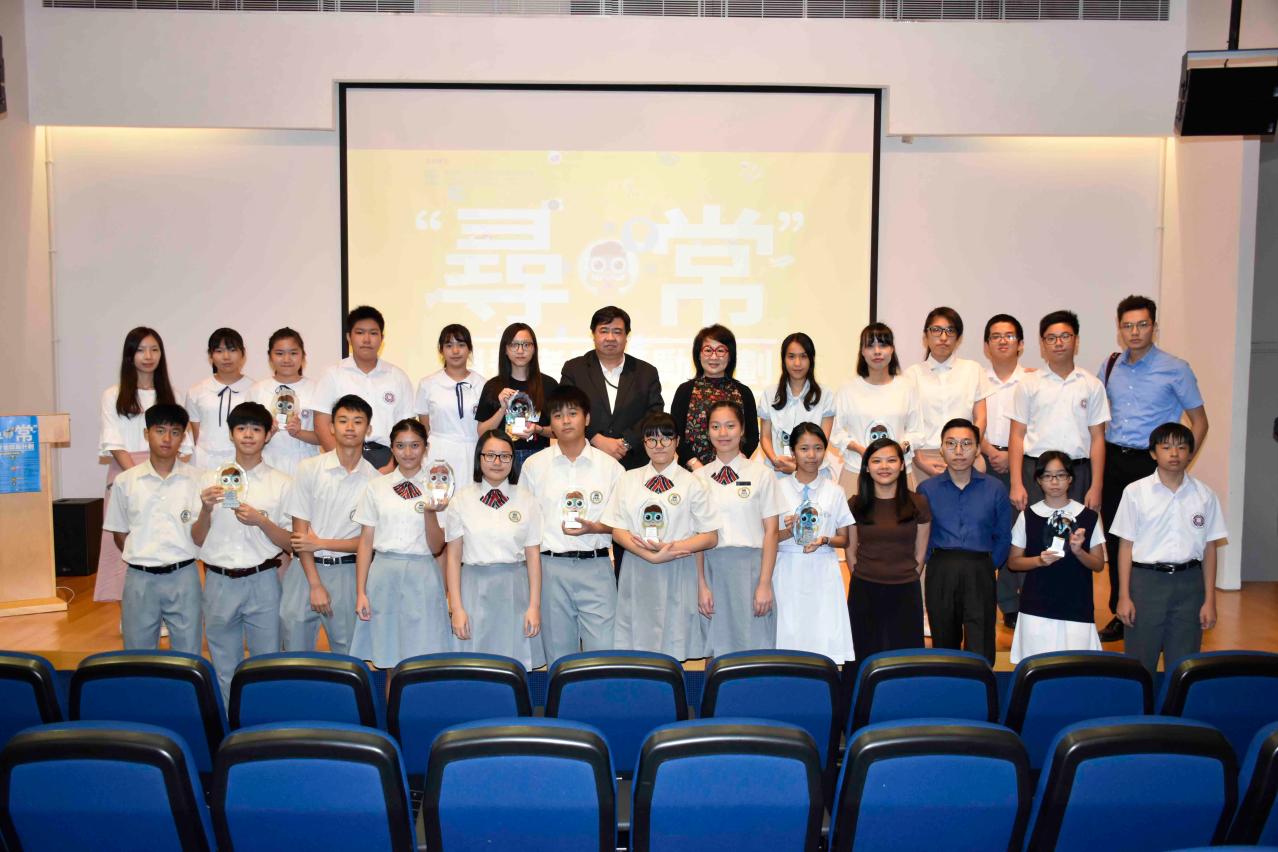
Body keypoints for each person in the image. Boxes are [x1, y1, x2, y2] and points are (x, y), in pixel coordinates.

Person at [1098, 295, 1208, 643]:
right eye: (1128, 326)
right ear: (1119, 329)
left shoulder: (1176, 368)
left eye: (1142, 325)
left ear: (1154, 327)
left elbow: (1200, 422)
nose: (1135, 332)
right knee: (1118, 538)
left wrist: (1179, 461)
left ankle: (1157, 610)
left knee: (1153, 538)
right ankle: (1120, 610)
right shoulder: (1111, 366)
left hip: (1153, 463)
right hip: (1115, 460)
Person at [191, 401, 292, 699]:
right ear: (231, 434)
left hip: (264, 580)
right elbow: (197, 538)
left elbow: (290, 543)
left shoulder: (282, 483)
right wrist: (205, 509)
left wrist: (262, 521)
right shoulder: (208, 481)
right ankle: (229, 724)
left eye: (256, 429)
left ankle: (266, 723)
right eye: (241, 428)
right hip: (218, 580)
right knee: (224, 667)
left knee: (267, 665)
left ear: (268, 435)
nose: (248, 435)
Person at [602, 412, 720, 660]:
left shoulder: (693, 483)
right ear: (643, 443)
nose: (659, 445)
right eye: (652, 439)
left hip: (678, 568)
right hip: (637, 568)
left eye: (666, 438)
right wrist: (649, 555)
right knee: (638, 647)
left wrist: (671, 548)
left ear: (677, 441)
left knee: (674, 646)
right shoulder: (628, 479)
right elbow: (617, 529)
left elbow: (710, 536)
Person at [1112, 423, 1226, 676]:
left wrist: (1210, 600)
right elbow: (1125, 546)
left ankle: (1176, 703)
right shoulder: (1135, 492)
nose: (1174, 454)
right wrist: (1123, 595)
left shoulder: (1205, 496)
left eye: (1181, 447)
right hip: (1146, 583)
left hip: (1190, 584)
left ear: (1191, 453)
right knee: (1140, 660)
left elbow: (1210, 549)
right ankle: (1142, 702)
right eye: (1166, 447)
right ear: (1153, 453)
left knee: (1184, 663)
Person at [520, 386, 623, 664]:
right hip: (550, 568)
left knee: (604, 656)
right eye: (557, 415)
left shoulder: (611, 468)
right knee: (559, 659)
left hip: (597, 566)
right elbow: (525, 524)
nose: (566, 421)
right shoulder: (534, 466)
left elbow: (623, 523)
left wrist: (596, 528)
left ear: (587, 418)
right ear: (550, 424)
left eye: (573, 413)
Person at [95, 326, 190, 606]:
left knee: (166, 538)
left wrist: (161, 474)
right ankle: (131, 612)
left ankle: (167, 610)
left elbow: (182, 444)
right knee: (126, 542)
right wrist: (138, 476)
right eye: (140, 350)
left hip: (166, 474)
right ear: (130, 355)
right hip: (126, 472)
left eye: (154, 349)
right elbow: (114, 441)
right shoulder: (113, 394)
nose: (148, 356)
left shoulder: (173, 394)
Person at [100, 403, 203, 654]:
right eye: (160, 431)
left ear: (183, 437)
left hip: (184, 575)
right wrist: (144, 558)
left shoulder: (199, 479)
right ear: (147, 434)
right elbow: (119, 534)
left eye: (175, 432)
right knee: (138, 656)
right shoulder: (126, 481)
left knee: (188, 655)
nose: (167, 439)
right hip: (140, 578)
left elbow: (203, 531)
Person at [282, 394, 380, 655]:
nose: (350, 427)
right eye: (343, 420)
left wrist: (321, 543)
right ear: (331, 427)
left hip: (348, 573)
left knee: (347, 654)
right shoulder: (308, 468)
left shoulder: (375, 481)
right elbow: (300, 536)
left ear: (368, 428)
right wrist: (315, 585)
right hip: (304, 571)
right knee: (294, 654)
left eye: (358, 421)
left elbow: (367, 543)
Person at [349, 419, 451, 669]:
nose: (408, 453)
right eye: (401, 446)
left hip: (423, 574)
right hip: (384, 576)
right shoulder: (376, 487)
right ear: (392, 448)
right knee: (389, 662)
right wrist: (361, 592)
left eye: (415, 445)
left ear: (426, 447)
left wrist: (430, 512)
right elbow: (365, 542)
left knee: (425, 661)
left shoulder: (439, 487)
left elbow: (438, 546)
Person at [443, 431, 544, 669]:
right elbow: (453, 558)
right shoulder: (461, 500)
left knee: (514, 664)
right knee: (475, 664)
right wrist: (456, 608)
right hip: (473, 588)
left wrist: (534, 606)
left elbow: (533, 556)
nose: (497, 462)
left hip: (515, 589)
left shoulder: (527, 500)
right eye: (490, 455)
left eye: (504, 456)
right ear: (479, 458)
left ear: (513, 460)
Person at [917, 418, 1011, 665]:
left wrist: (989, 566)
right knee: (943, 639)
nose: (959, 451)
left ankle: (981, 686)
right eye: (951, 444)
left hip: (980, 568)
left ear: (978, 449)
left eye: (966, 444)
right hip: (941, 568)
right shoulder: (926, 489)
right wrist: (933, 562)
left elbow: (1003, 536)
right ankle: (948, 686)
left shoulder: (995, 488)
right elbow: (922, 536)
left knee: (980, 640)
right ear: (941, 449)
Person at [694, 400, 780, 656]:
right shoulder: (698, 478)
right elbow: (697, 535)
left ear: (742, 429)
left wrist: (764, 583)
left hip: (751, 570)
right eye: (716, 426)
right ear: (707, 431)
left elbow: (772, 533)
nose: (723, 433)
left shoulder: (762, 474)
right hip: (712, 569)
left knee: (754, 648)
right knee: (716, 650)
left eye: (730, 425)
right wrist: (701, 584)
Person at [1006, 451, 1107, 664]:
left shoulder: (1088, 516)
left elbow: (1098, 564)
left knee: (1075, 670)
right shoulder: (1028, 516)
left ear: (1070, 478)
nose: (1054, 482)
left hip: (1076, 605)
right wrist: (1038, 561)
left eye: (1060, 475)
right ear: (1038, 480)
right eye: (1047, 476)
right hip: (1036, 607)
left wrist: (1079, 551)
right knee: (1036, 669)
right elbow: (1013, 562)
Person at [1008, 310, 1109, 513]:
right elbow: (1017, 435)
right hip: (1036, 473)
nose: (1058, 343)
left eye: (1065, 336)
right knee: (1034, 531)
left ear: (1076, 340)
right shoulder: (1028, 384)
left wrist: (1096, 487)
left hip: (1078, 473)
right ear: (1042, 344)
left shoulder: (1092, 385)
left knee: (1077, 532)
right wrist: (1016, 483)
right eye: (1051, 338)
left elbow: (1098, 438)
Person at [773, 422, 856, 665]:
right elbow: (767, 538)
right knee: (788, 639)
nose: (812, 455)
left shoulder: (835, 491)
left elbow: (844, 538)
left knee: (823, 639)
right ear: (792, 452)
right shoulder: (777, 489)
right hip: (787, 569)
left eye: (818, 448)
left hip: (823, 570)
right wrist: (789, 531)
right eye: (804, 448)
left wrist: (824, 540)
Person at [847, 438, 930, 659]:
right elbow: (850, 550)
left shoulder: (918, 503)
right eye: (876, 461)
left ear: (902, 465)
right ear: (867, 467)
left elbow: (921, 551)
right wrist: (862, 574)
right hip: (864, 589)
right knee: (863, 652)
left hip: (905, 589)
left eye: (891, 460)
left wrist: (909, 575)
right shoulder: (856, 504)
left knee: (905, 656)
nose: (884, 466)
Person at [559, 306, 664, 472]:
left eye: (617, 332)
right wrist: (596, 438)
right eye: (604, 331)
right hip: (584, 460)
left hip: (634, 464)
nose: (610, 338)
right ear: (593, 334)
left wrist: (626, 443)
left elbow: (654, 414)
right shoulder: (574, 369)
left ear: (626, 336)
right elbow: (565, 410)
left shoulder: (646, 372)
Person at [311, 306, 415, 472]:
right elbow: (321, 424)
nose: (366, 339)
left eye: (373, 333)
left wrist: (392, 466)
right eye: (360, 332)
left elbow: (407, 427)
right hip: (343, 457)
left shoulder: (398, 377)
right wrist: (343, 463)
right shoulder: (333, 375)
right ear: (349, 337)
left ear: (382, 338)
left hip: (387, 459)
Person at [979, 314, 1032, 629]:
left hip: (1020, 463)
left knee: (1016, 531)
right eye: (996, 336)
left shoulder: (1033, 381)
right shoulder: (977, 380)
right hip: (984, 459)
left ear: (1020, 344)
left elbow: (1033, 427)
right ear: (986, 346)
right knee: (987, 531)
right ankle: (984, 601)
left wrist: (1010, 457)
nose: (1002, 341)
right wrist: (989, 451)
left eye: (1009, 336)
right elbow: (970, 421)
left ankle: (1011, 602)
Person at [903, 307, 994, 485]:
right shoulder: (911, 375)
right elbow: (906, 425)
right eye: (936, 330)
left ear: (958, 338)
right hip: (925, 458)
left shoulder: (973, 369)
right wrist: (919, 460)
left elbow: (981, 417)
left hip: (966, 456)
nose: (943, 337)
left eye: (950, 331)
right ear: (926, 336)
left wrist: (971, 448)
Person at [831, 323, 923, 498]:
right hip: (857, 470)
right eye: (870, 346)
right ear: (862, 351)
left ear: (892, 349)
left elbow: (917, 431)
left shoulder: (907, 387)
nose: (877, 351)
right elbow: (836, 432)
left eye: (883, 345)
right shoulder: (847, 389)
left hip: (898, 473)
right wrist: (861, 450)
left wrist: (900, 448)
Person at [474, 322, 559, 477]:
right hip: (502, 460)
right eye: (514, 345)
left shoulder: (549, 385)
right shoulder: (493, 386)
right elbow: (482, 432)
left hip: (539, 458)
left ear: (534, 349)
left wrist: (537, 429)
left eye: (526, 344)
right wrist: (502, 409)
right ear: (505, 350)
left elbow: (558, 431)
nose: (520, 350)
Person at [670, 324, 759, 470]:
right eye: (708, 350)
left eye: (720, 351)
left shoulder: (743, 392)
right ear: (698, 354)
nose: (714, 356)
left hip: (734, 471)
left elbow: (752, 436)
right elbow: (676, 434)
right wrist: (696, 466)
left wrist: (736, 463)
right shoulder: (685, 391)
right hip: (692, 473)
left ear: (730, 356)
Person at [759, 332, 837, 483]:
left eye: (803, 356)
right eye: (791, 356)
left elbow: (822, 441)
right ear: (783, 360)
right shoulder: (770, 394)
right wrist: (776, 460)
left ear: (811, 359)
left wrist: (796, 467)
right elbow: (765, 437)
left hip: (814, 473)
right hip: (777, 472)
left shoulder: (825, 395)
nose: (797, 363)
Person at [416, 323, 485, 482]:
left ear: (469, 349)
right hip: (438, 452)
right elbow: (425, 428)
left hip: (472, 451)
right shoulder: (427, 384)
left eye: (461, 345)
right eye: (449, 345)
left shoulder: (482, 384)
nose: (455, 351)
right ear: (441, 350)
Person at [252, 327, 320, 478]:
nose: (287, 359)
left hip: (306, 464)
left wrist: (299, 433)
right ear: (270, 357)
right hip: (267, 463)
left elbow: (326, 436)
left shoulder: (317, 389)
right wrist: (266, 434)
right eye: (279, 353)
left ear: (303, 356)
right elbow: (247, 435)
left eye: (293, 353)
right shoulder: (257, 390)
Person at [185, 327, 254, 470]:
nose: (226, 357)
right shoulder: (196, 391)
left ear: (243, 353)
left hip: (243, 462)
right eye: (219, 351)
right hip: (204, 464)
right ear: (210, 355)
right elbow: (196, 435)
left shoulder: (255, 390)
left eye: (232, 350)